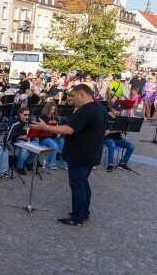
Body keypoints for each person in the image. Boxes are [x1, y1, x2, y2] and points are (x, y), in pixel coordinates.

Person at [32, 84, 108, 227]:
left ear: (82, 94)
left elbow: (68, 129)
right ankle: (84, 213)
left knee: (78, 186)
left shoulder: (85, 110)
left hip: (79, 154)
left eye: (74, 96)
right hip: (91, 154)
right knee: (84, 183)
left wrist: (45, 127)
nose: (72, 100)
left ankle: (77, 218)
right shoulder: (101, 109)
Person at [102, 102, 135, 172]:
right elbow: (103, 132)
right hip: (107, 138)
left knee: (131, 146)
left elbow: (124, 130)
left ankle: (122, 163)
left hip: (118, 138)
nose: (118, 112)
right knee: (112, 145)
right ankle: (110, 164)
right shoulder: (105, 116)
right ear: (113, 109)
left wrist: (125, 131)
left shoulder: (121, 118)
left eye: (120, 111)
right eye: (117, 110)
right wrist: (113, 131)